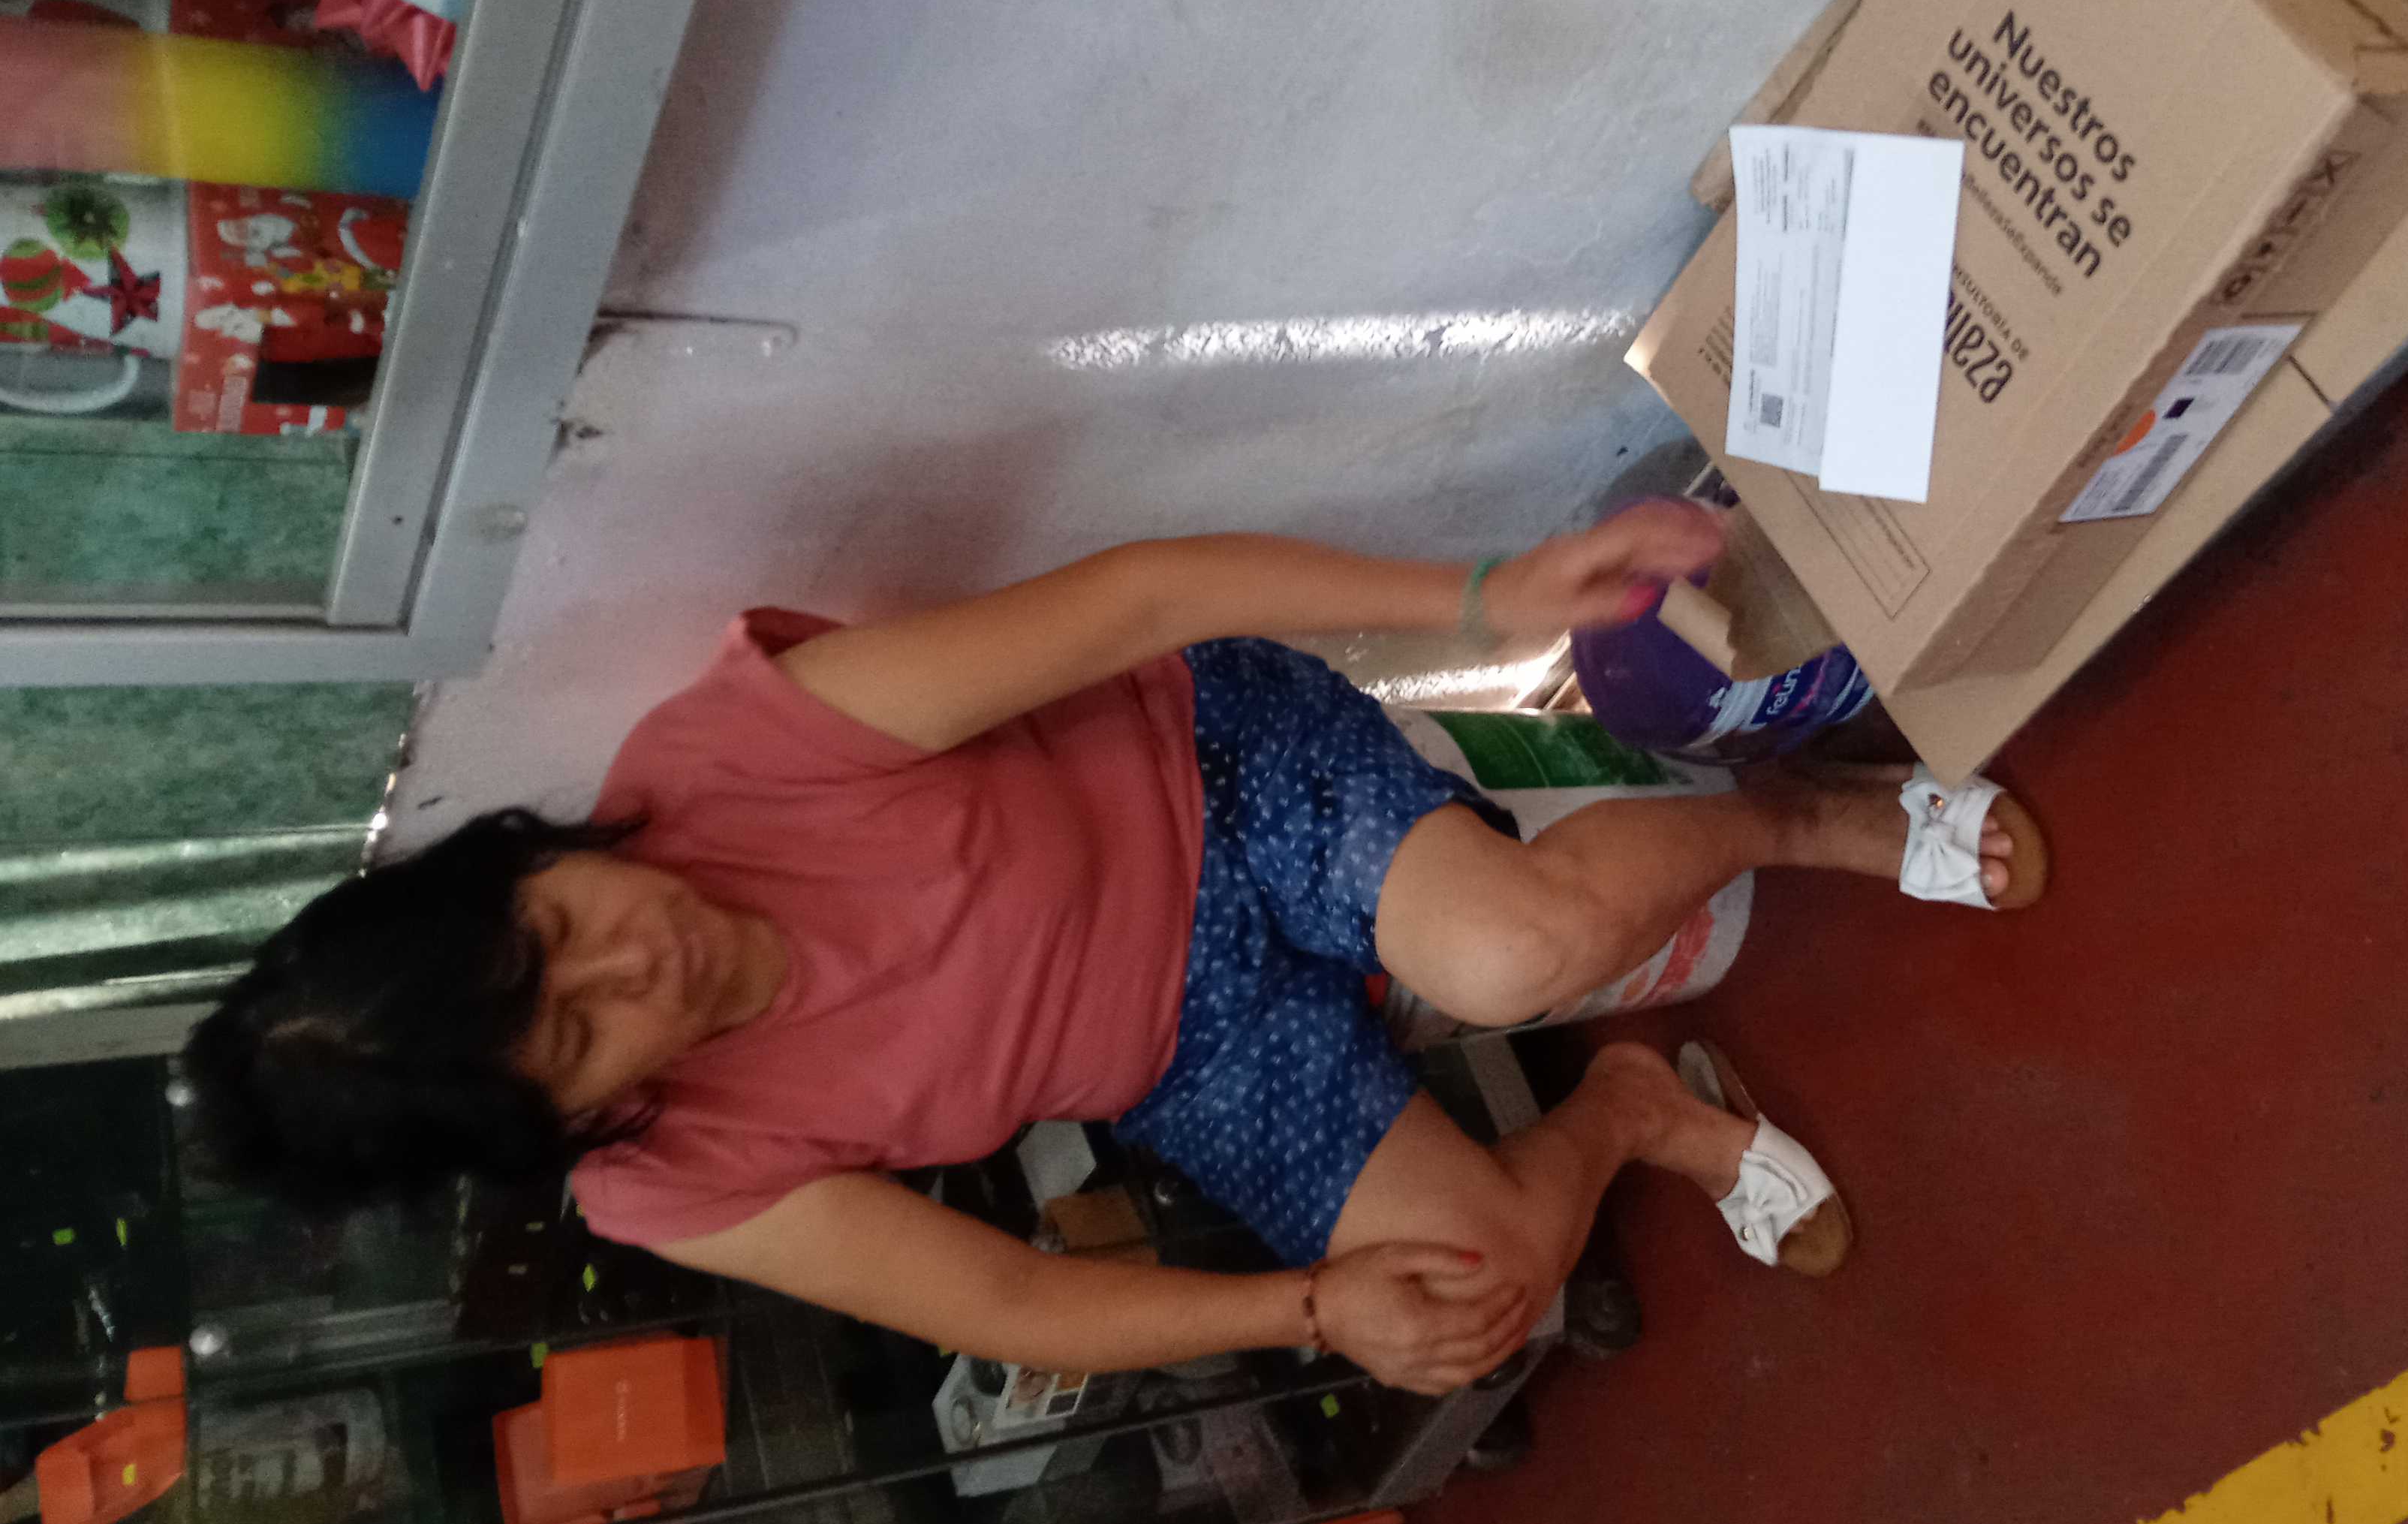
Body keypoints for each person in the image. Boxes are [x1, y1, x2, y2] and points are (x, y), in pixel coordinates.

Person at [186, 511, 2047, 1397]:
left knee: (1510, 955)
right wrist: (1315, 1311)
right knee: (1465, 1312)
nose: (637, 965)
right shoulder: (671, 1184)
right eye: (579, 1036)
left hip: (1217, 775)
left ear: (520, 863)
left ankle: (1817, 816)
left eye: (556, 929)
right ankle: (1634, 1113)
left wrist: (1487, 595)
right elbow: (1006, 1304)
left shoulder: (731, 757)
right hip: (1190, 1053)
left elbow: (1146, 598)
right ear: (561, 1126)